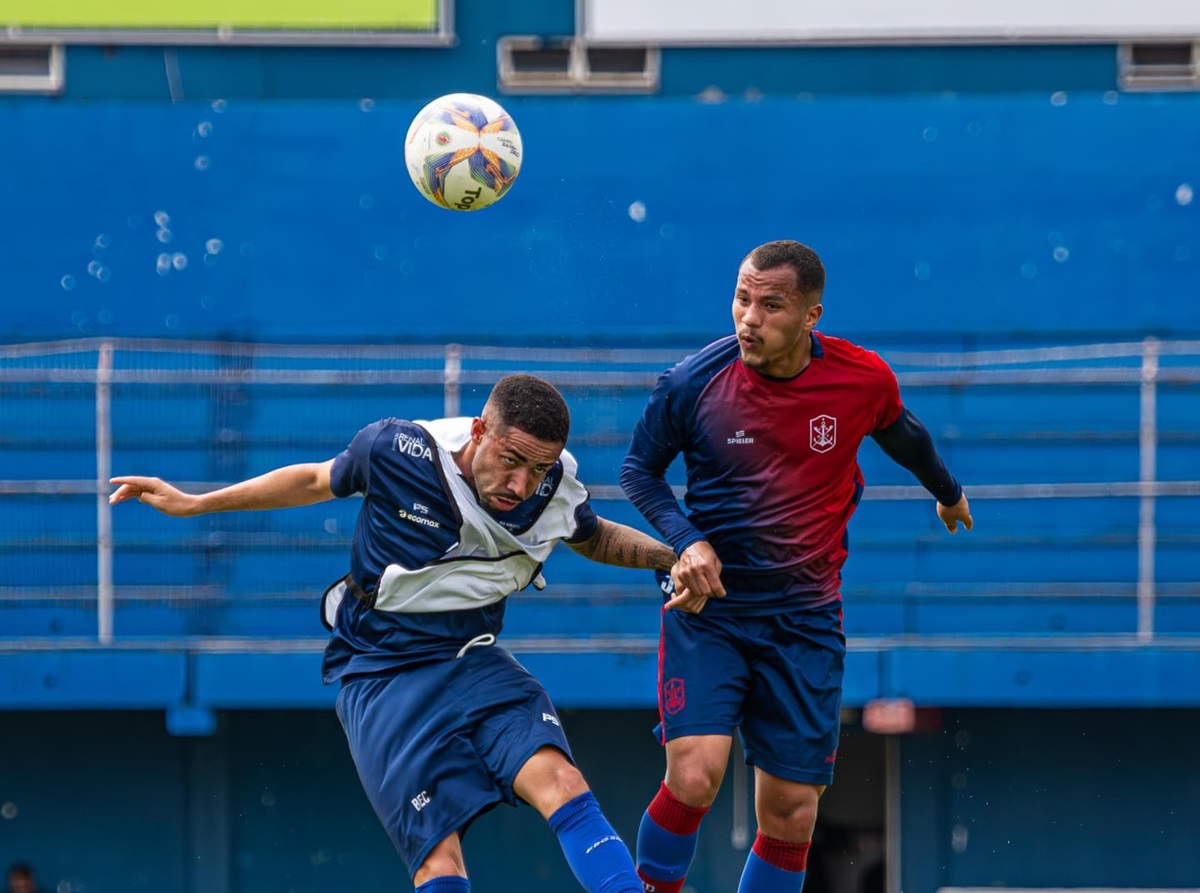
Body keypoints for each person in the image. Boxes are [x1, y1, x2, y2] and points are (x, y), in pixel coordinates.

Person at [110, 373, 694, 893]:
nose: (521, 483)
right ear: (478, 430)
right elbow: (315, 479)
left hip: (471, 657)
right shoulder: (397, 449)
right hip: (380, 670)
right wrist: (195, 503)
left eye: (538, 468)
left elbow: (591, 535)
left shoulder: (553, 487)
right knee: (438, 858)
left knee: (562, 780)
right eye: (511, 459)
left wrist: (675, 558)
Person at [620, 240, 974, 893]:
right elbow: (638, 470)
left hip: (804, 618)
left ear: (812, 314)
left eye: (770, 305)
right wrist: (686, 537)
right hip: (711, 609)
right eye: (741, 298)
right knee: (695, 774)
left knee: (791, 811)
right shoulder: (693, 383)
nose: (748, 318)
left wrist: (947, 492)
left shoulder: (862, 378)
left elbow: (905, 434)